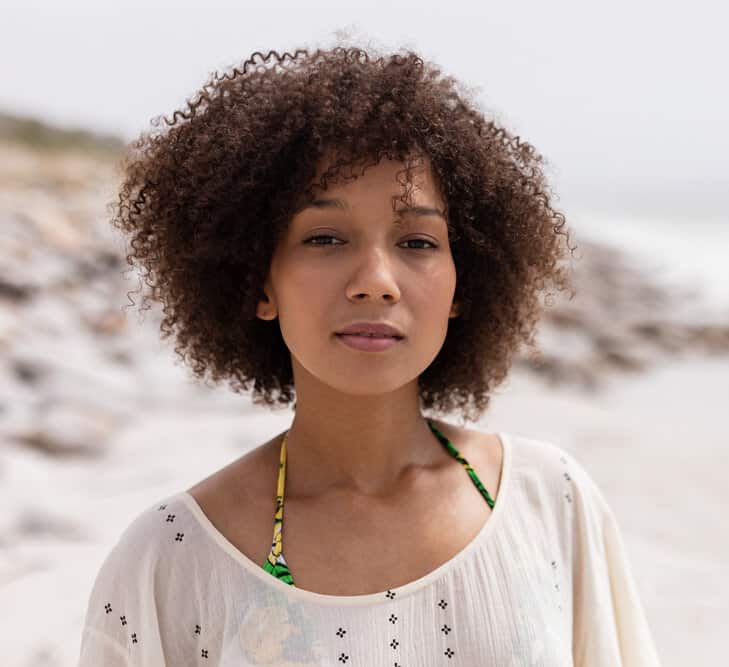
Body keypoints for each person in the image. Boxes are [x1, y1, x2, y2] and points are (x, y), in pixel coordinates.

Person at [78, 41, 661, 666]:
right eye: (325, 237)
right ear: (258, 280)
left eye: (417, 240)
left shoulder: (552, 501)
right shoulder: (168, 560)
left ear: (464, 284)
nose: (376, 279)